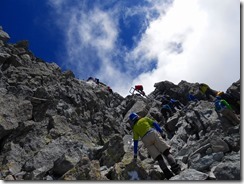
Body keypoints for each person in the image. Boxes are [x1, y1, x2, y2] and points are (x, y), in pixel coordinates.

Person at [129, 113, 181, 179]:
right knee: (166, 152)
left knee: (159, 158)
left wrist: (135, 154)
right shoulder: (144, 119)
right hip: (152, 133)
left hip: (146, 140)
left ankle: (169, 175)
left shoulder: (135, 128)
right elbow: (154, 124)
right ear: (137, 116)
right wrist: (161, 132)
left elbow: (135, 142)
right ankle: (176, 170)